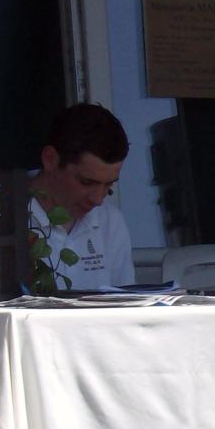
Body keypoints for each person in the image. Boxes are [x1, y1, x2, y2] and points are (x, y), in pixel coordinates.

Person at [28, 102, 135, 289]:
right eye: (86, 182)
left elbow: (126, 307)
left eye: (108, 185)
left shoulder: (110, 220)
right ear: (50, 159)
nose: (98, 199)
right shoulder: (1, 219)